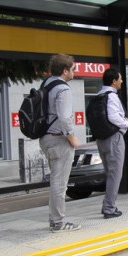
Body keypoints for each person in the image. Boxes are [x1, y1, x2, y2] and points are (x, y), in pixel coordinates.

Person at [39, 54, 82, 232]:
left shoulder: (46, 84)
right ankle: (58, 222)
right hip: (59, 139)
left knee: (56, 180)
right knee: (59, 182)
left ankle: (54, 219)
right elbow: (64, 117)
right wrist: (71, 137)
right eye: (72, 68)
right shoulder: (63, 89)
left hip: (46, 138)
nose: (74, 71)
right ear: (65, 70)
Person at [96, 67, 128, 217]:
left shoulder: (99, 94)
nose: (122, 81)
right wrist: (126, 123)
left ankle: (108, 205)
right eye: (120, 78)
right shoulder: (111, 96)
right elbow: (113, 117)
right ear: (114, 81)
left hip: (101, 138)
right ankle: (109, 208)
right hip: (113, 138)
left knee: (109, 173)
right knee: (115, 173)